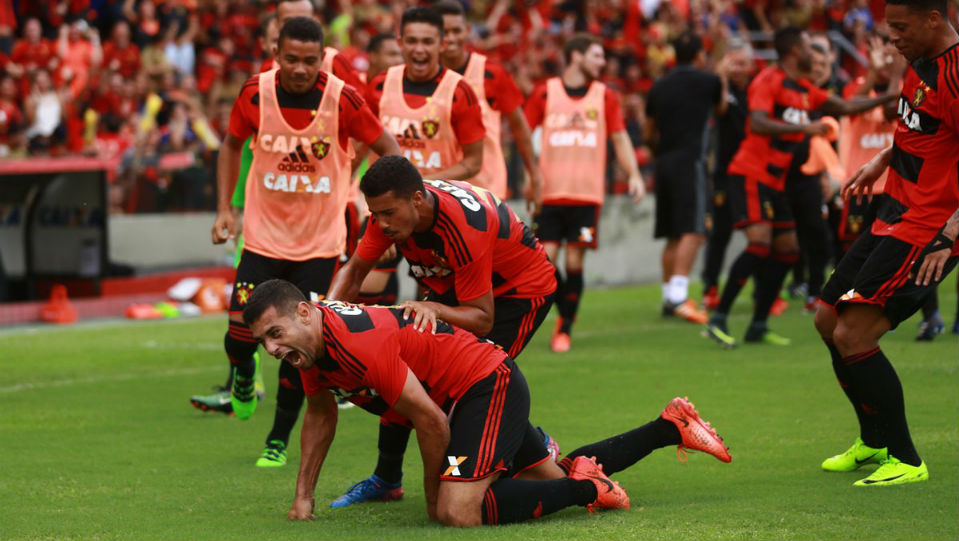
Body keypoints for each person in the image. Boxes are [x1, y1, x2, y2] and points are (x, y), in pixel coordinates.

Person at [243, 278, 732, 526]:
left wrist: (436, 498)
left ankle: (589, 489)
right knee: (550, 479)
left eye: (275, 333)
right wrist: (303, 496)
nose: (271, 349)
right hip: (465, 397)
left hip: (483, 386)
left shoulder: (357, 342)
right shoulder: (310, 349)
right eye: (263, 341)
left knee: (457, 510)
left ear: (304, 313)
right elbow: (320, 415)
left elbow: (430, 422)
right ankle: (670, 426)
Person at [208, 17, 400, 470]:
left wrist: (380, 211)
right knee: (240, 337)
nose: (299, 68)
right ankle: (243, 371)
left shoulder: (343, 99)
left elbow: (389, 149)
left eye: (310, 60)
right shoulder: (255, 93)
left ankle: (277, 439)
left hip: (318, 247)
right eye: (291, 59)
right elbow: (231, 146)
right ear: (276, 53)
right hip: (262, 239)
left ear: (322, 59)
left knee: (300, 348)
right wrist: (225, 209)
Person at [324, 155, 558, 507]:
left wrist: (433, 308)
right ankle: (387, 479)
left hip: (517, 293)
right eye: (375, 214)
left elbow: (482, 318)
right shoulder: (389, 212)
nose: (381, 224)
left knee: (475, 381)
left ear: (416, 200)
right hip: (458, 289)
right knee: (407, 366)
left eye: (388, 213)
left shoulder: (463, 228)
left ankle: (538, 449)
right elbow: (355, 270)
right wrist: (324, 319)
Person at [814, 0, 959, 487]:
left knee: (854, 334)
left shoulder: (955, 74)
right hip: (893, 212)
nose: (891, 37)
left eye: (900, 27)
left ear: (933, 19)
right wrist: (882, 160)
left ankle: (906, 458)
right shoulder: (918, 62)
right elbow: (925, 130)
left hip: (929, 226)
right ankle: (873, 440)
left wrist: (951, 233)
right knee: (827, 319)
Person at [703, 26, 895, 349]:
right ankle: (718, 318)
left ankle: (758, 325)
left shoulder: (804, 89)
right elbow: (757, 122)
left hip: (774, 181)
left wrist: (893, 96)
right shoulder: (769, 80)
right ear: (794, 50)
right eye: (807, 45)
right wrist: (805, 128)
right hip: (750, 173)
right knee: (759, 245)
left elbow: (844, 106)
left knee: (788, 251)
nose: (813, 51)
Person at [524, 33, 646, 353]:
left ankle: (564, 327)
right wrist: (528, 176)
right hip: (549, 193)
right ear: (576, 56)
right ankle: (567, 310)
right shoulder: (545, 92)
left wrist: (634, 174)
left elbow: (619, 137)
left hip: (586, 195)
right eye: (597, 55)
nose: (602, 63)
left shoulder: (605, 96)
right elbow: (524, 136)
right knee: (544, 263)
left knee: (575, 260)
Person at [645, 31, 725, 325]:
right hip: (692, 162)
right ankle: (679, 297)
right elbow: (722, 108)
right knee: (695, 229)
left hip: (665, 162)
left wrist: (661, 153)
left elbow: (648, 132)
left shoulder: (659, 86)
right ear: (699, 56)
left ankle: (669, 296)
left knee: (673, 233)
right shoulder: (709, 81)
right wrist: (721, 74)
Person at [434, 0, 542, 207]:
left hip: (485, 191)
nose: (451, 38)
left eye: (456, 31)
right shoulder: (421, 77)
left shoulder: (492, 73)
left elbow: (519, 126)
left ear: (467, 31)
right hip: (438, 190)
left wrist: (533, 175)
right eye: (444, 32)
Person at [364, 6, 485, 181]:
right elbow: (360, 144)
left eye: (427, 42)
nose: (419, 49)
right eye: (412, 41)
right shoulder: (380, 85)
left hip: (436, 196)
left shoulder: (459, 91)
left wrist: (422, 184)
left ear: (442, 45)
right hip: (385, 197)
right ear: (400, 43)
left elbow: (473, 162)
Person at [702, 39, 754, 311]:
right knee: (720, 233)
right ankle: (710, 287)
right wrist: (721, 77)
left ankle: (763, 291)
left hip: (755, 172)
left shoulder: (757, 89)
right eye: (732, 63)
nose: (737, 69)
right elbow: (719, 109)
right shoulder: (721, 90)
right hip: (725, 173)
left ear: (751, 64)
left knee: (760, 234)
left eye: (742, 63)